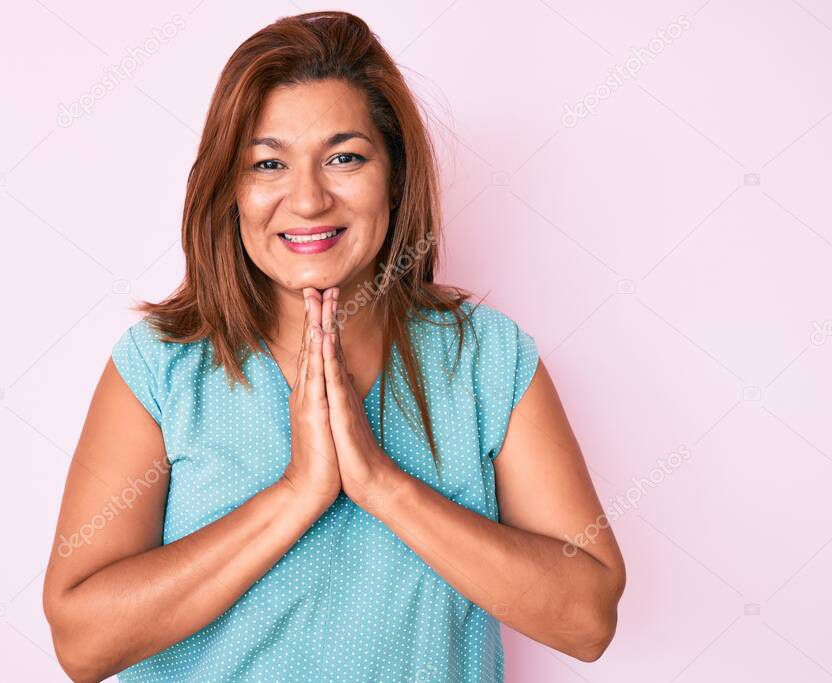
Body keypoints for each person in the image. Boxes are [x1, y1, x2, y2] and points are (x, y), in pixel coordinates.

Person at [42, 11, 625, 682]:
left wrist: (379, 482)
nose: (309, 198)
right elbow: (83, 644)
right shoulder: (161, 366)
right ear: (231, 189)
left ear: (395, 175)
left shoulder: (486, 357)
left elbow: (586, 620)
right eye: (268, 164)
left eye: (345, 156)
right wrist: (297, 494)